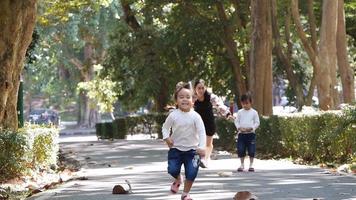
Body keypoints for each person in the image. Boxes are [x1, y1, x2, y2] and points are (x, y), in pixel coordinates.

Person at [162, 82, 206, 200]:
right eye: (181, 97)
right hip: (176, 149)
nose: (185, 100)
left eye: (188, 97)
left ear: (193, 100)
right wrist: (167, 137)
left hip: (193, 151)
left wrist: (202, 147)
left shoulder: (196, 116)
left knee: (192, 173)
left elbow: (202, 132)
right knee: (172, 169)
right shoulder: (173, 115)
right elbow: (165, 127)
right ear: (176, 101)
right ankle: (178, 179)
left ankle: (185, 193)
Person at [193, 79, 231, 168]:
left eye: (203, 88)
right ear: (195, 89)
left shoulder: (210, 97)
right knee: (197, 142)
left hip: (209, 121)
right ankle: (198, 158)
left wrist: (227, 113)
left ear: (205, 88)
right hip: (197, 123)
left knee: (208, 143)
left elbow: (219, 105)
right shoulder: (193, 98)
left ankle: (206, 159)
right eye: (199, 88)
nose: (201, 90)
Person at [234, 93, 260, 172]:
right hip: (241, 134)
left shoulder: (254, 112)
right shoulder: (240, 112)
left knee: (251, 150)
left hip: (251, 134)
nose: (245, 105)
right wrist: (239, 128)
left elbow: (257, 122)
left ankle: (251, 165)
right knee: (241, 149)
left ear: (251, 102)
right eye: (243, 103)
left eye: (247, 103)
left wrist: (252, 128)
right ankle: (242, 164)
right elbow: (236, 121)